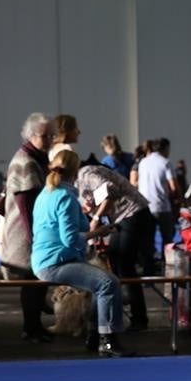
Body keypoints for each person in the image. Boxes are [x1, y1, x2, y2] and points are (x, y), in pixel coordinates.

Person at [32, 150, 132, 357]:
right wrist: (99, 231)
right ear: (75, 171)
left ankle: (96, 336)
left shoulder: (47, 193)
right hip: (56, 262)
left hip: (45, 259)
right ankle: (107, 341)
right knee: (108, 283)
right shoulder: (65, 197)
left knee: (100, 285)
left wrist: (84, 214)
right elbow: (69, 239)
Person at [0, 112, 54, 343]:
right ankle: (31, 329)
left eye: (51, 135)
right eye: (44, 135)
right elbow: (25, 203)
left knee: (37, 281)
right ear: (30, 136)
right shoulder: (26, 162)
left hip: (32, 229)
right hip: (25, 231)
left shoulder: (37, 157)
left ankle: (35, 326)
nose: (49, 139)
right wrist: (35, 236)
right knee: (32, 282)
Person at [76, 162, 153, 331]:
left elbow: (110, 191)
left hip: (133, 214)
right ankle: (120, 314)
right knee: (116, 264)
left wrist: (96, 218)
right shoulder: (76, 184)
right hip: (122, 218)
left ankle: (139, 318)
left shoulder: (85, 174)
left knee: (125, 265)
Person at [136, 137, 179, 270]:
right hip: (161, 206)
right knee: (167, 239)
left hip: (144, 206)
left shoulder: (143, 162)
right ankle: (167, 267)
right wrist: (177, 199)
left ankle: (148, 268)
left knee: (147, 240)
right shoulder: (166, 162)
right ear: (165, 148)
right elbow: (174, 187)